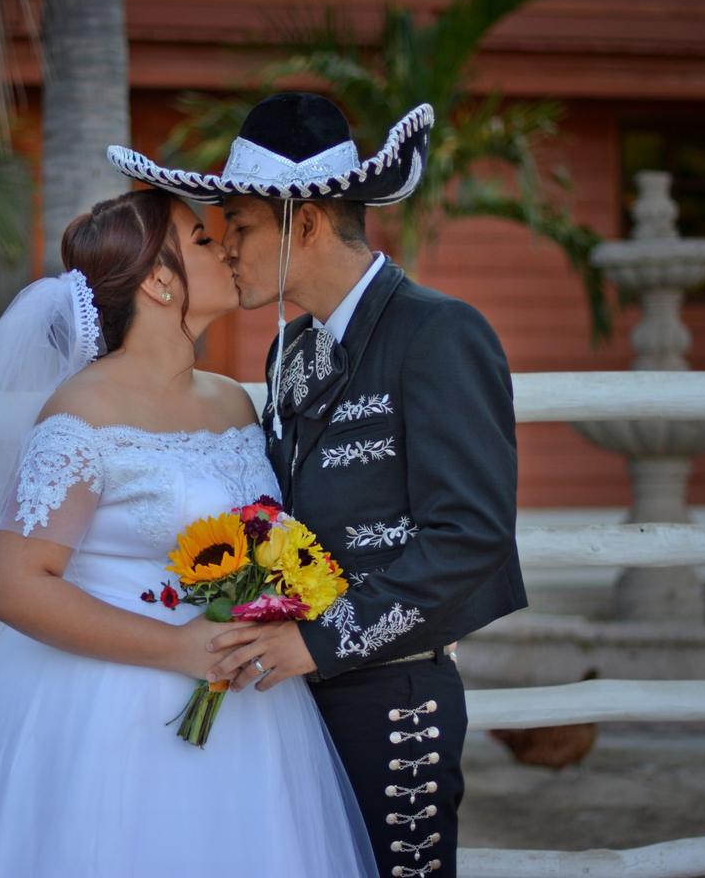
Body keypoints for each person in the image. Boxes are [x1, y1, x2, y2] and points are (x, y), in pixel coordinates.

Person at [0, 187, 378, 878]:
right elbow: (14, 584)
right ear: (157, 276)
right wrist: (178, 648)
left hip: (247, 712)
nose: (227, 248)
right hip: (111, 712)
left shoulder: (231, 400)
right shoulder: (85, 409)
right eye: (202, 240)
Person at [108, 92, 528, 877]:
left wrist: (316, 639)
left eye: (240, 225)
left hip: (392, 691)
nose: (225, 247)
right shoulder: (290, 351)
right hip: (291, 702)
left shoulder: (439, 333)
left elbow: (471, 534)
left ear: (302, 221)